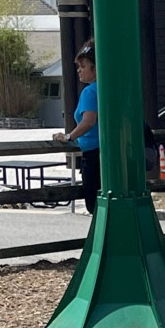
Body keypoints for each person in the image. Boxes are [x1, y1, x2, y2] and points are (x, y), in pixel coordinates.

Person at [55, 43, 100, 213]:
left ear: (95, 69)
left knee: (94, 204)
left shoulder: (90, 92)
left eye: (83, 66)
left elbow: (88, 121)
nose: (79, 70)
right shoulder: (108, 89)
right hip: (109, 153)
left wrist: (69, 136)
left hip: (93, 155)